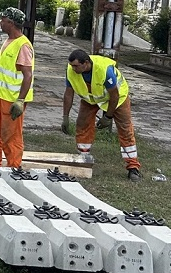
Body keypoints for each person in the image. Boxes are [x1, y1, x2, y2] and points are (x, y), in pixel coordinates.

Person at [61, 49, 143, 181]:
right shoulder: (71, 71)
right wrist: (65, 117)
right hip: (91, 98)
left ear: (86, 63)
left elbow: (114, 95)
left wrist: (108, 117)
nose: (73, 69)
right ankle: (83, 158)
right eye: (71, 65)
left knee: (125, 129)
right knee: (82, 124)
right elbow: (68, 94)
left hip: (118, 98)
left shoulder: (104, 70)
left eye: (76, 66)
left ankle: (133, 167)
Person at [0, 7, 33, 169]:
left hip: (12, 99)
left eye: (3, 20)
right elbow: (2, 72)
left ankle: (14, 169)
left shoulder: (23, 45)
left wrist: (20, 100)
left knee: (11, 138)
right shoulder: (9, 41)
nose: (0, 22)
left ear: (11, 23)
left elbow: (28, 75)